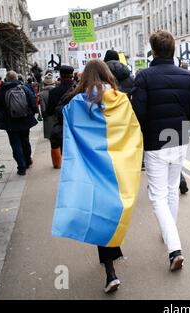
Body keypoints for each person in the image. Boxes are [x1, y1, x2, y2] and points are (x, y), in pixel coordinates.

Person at [52, 59, 143, 294]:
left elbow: (64, 127)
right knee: (112, 209)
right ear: (107, 75)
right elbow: (133, 131)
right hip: (117, 168)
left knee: (98, 212)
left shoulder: (76, 104)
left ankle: (110, 272)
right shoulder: (121, 100)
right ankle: (112, 258)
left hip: (90, 169)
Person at [131, 31, 190, 271]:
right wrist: (184, 127)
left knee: (157, 196)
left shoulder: (143, 77)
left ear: (153, 51)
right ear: (173, 50)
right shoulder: (189, 77)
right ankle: (169, 231)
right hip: (180, 139)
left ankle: (174, 249)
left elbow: (138, 115)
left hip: (155, 142)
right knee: (172, 190)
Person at [0, 71, 38, 175]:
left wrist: (2, 117)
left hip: (10, 122)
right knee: (25, 141)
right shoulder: (24, 88)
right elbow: (33, 102)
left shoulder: (2, 90)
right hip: (25, 120)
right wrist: (31, 113)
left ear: (7, 79)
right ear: (16, 78)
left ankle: (21, 167)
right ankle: (27, 161)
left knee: (15, 144)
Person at [47, 65, 75, 167]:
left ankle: (60, 165)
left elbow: (49, 111)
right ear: (72, 75)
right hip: (77, 125)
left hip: (61, 125)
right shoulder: (79, 89)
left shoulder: (53, 92)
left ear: (60, 75)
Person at [39, 74, 57, 166]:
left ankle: (55, 160)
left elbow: (43, 107)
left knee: (51, 139)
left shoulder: (41, 94)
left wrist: (43, 116)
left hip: (48, 117)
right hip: (56, 115)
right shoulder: (56, 91)